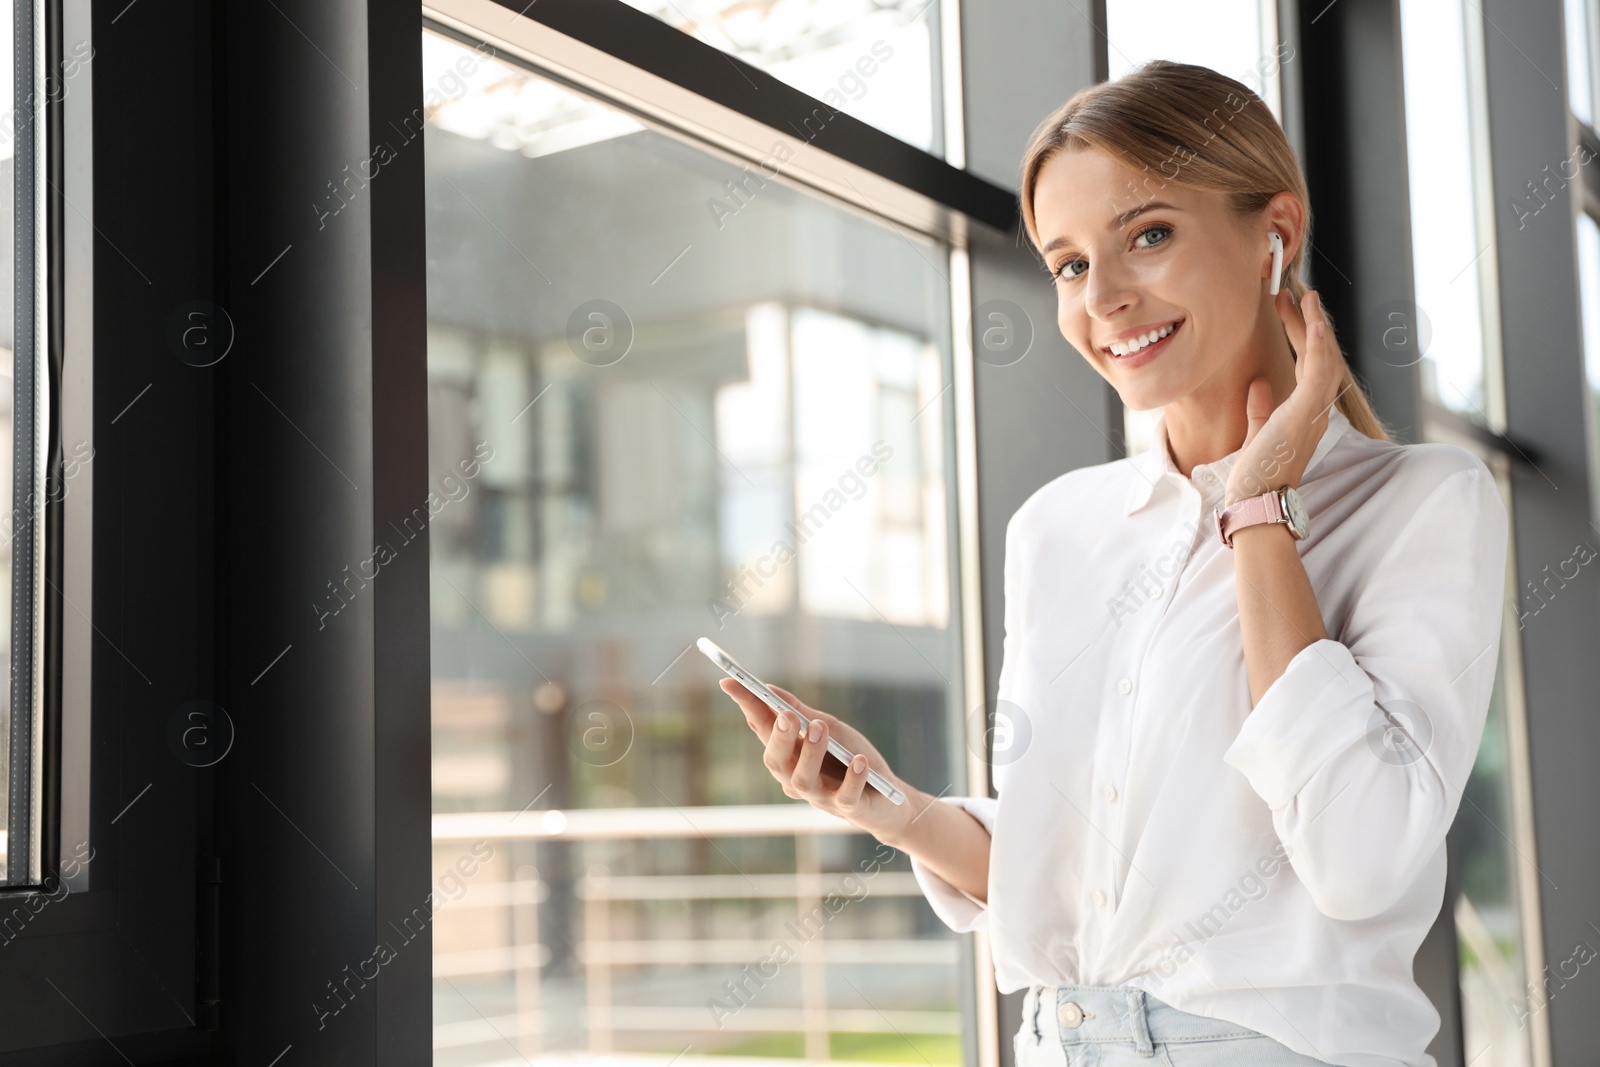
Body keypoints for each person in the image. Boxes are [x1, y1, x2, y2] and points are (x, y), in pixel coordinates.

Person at [717, 59, 1507, 1067]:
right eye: (1069, 264)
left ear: (1276, 232)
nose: (1107, 298)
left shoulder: (1423, 502)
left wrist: (1260, 513)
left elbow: (1360, 859)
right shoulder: (1057, 527)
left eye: (1148, 235)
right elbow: (1082, 882)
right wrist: (889, 802)